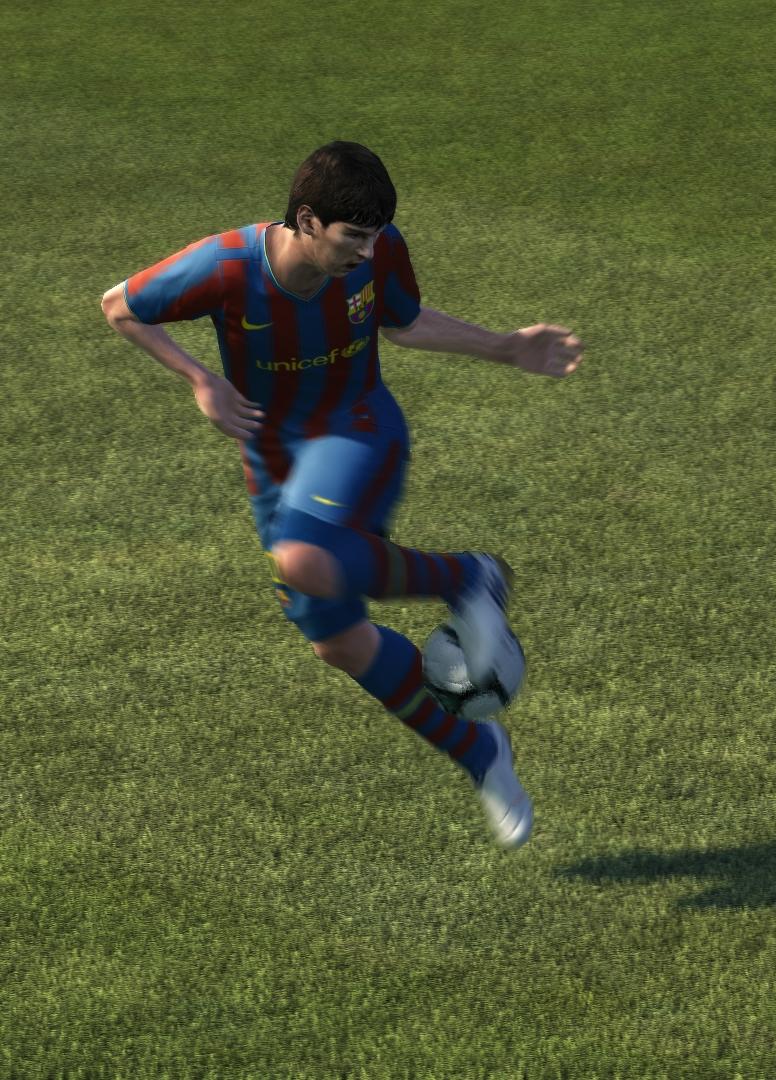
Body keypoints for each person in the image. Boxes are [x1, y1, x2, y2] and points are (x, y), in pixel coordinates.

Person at [101, 141, 584, 849]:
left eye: (376, 235)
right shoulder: (228, 266)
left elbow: (405, 322)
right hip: (273, 457)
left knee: (304, 559)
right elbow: (120, 306)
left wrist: (504, 345)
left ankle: (465, 578)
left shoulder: (377, 255)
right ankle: (481, 750)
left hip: (360, 430)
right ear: (306, 220)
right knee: (338, 641)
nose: (368, 251)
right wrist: (202, 379)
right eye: (354, 236)